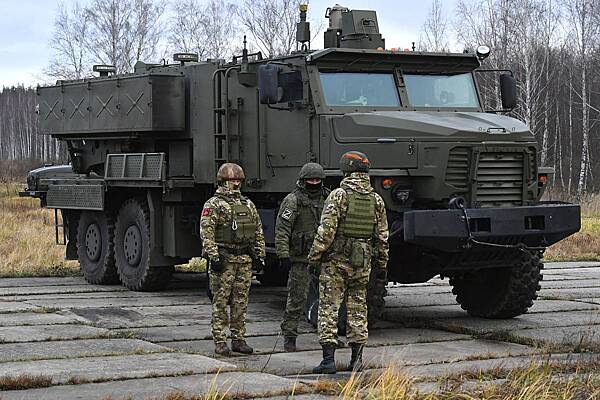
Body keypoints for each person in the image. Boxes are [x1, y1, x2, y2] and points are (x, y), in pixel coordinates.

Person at [307, 151, 389, 374]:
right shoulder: (376, 199)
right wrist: (381, 265)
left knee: (329, 308)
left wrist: (314, 257)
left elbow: (326, 231)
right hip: (363, 262)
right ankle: (357, 360)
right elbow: (382, 237)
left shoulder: (339, 195)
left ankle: (328, 360)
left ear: (346, 170)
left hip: (336, 262)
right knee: (358, 308)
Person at [200, 163, 266, 356]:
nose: (235, 184)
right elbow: (206, 233)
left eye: (238, 180)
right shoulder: (213, 204)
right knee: (220, 301)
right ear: (222, 181)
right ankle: (220, 340)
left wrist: (260, 255)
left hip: (244, 259)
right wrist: (214, 256)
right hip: (224, 258)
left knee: (240, 301)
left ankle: (239, 339)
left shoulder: (248, 204)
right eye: (231, 181)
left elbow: (258, 232)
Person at [276, 162, 330, 352]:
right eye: (310, 180)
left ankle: (328, 339)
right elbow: (282, 230)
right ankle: (289, 336)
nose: (314, 183)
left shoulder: (328, 198)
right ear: (303, 181)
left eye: (317, 180)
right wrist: (283, 255)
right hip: (301, 259)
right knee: (296, 299)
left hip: (324, 258)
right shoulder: (293, 201)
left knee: (328, 301)